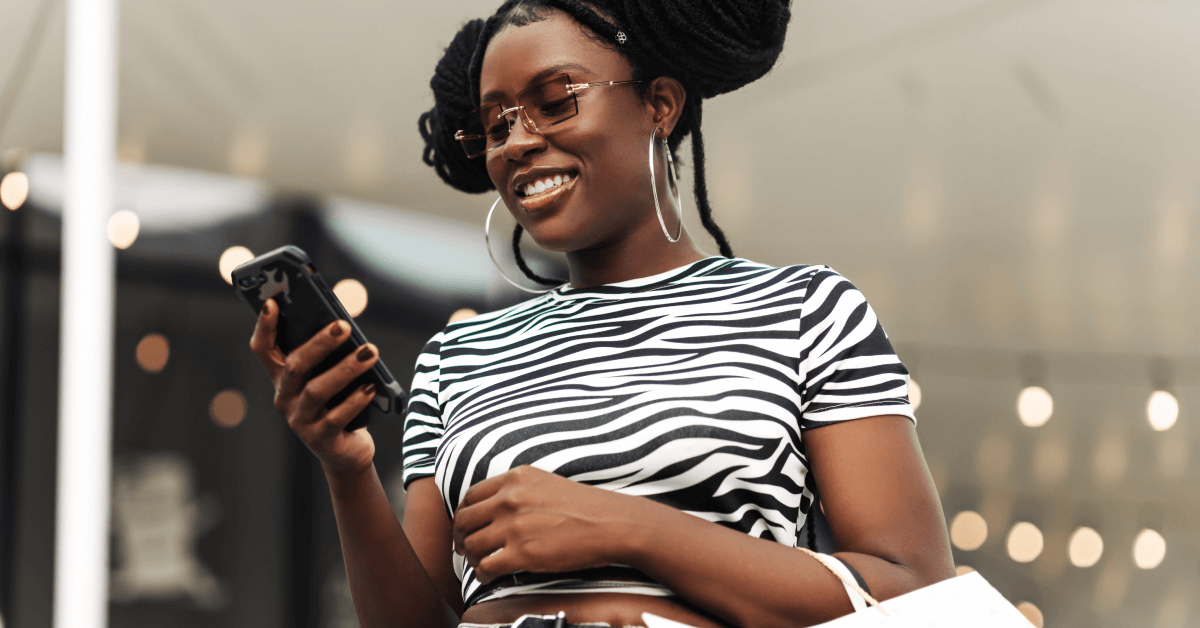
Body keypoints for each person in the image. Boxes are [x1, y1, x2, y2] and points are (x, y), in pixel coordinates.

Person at [249, 1, 955, 626]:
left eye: (557, 100)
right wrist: (347, 471)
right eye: (496, 125)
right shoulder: (457, 356)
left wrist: (626, 528)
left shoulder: (806, 309)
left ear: (661, 104)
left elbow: (914, 596)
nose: (517, 142)